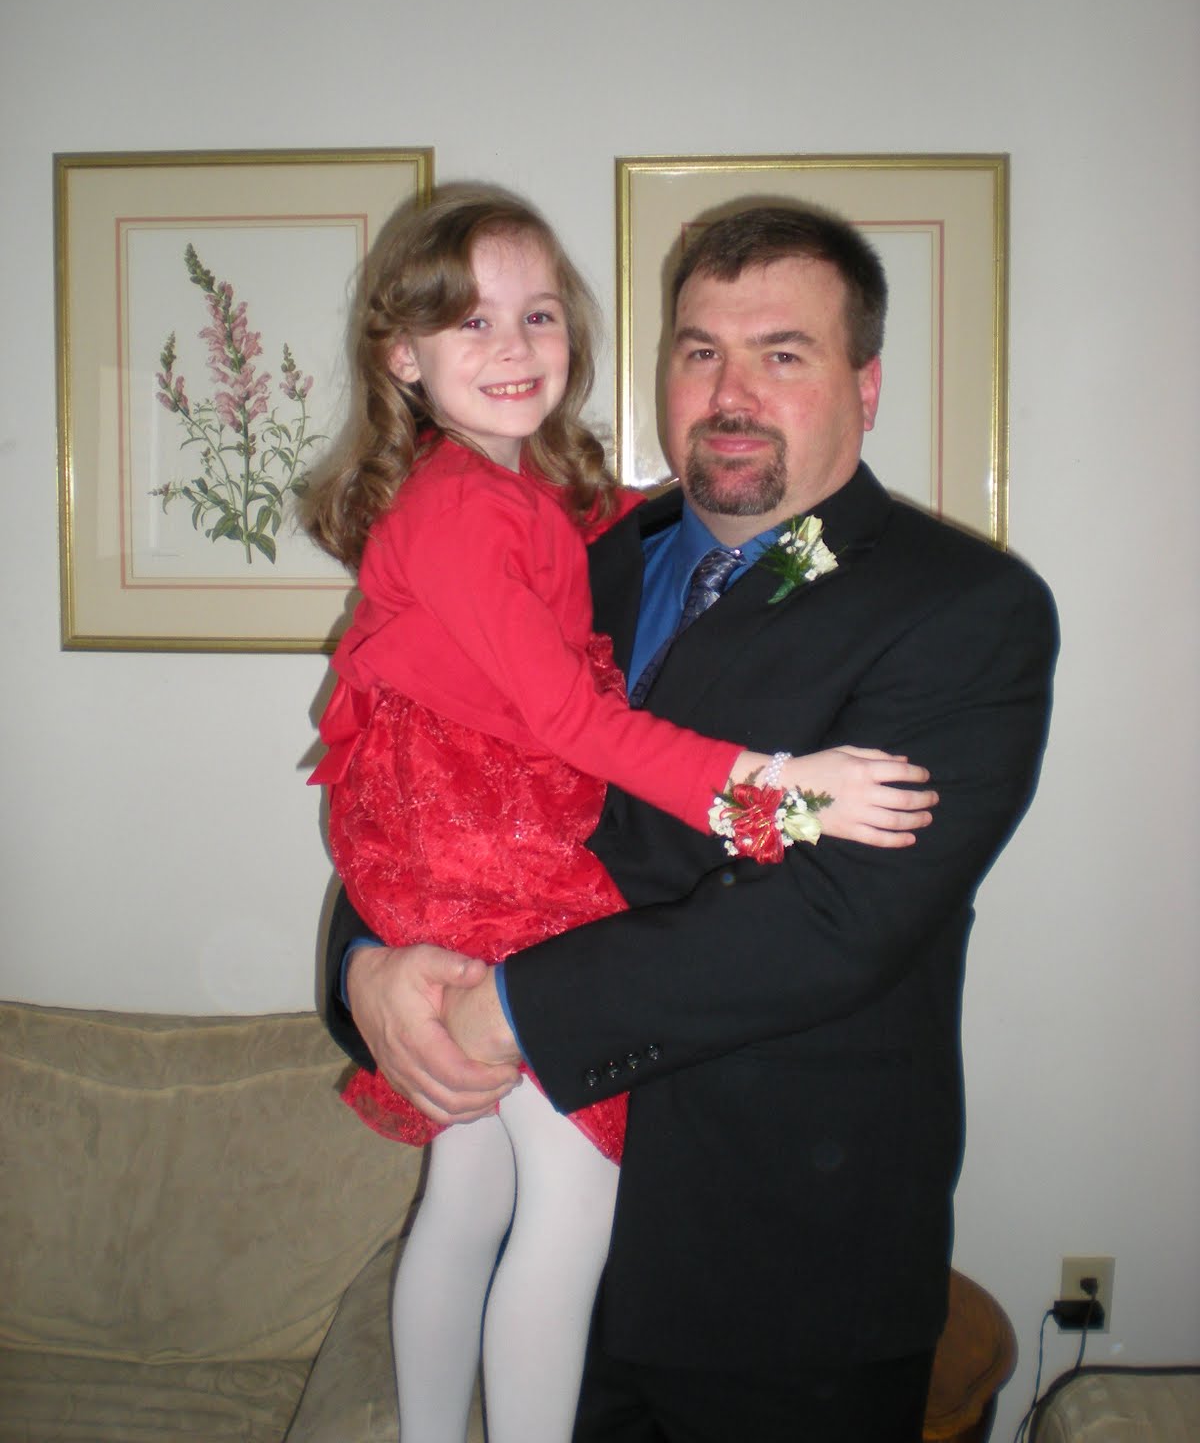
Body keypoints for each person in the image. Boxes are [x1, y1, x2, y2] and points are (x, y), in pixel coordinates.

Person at [325, 199, 1057, 1443]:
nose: (730, 389)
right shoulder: (575, 541)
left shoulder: (967, 609)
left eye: (784, 352)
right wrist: (370, 967)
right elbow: (431, 777)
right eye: (699, 349)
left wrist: (505, 1009)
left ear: (866, 386)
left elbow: (833, 923)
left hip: (782, 1287)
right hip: (557, 1271)